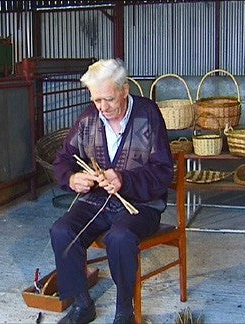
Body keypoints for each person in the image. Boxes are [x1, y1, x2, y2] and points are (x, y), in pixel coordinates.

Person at [50, 58, 173, 324]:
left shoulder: (147, 114)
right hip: (96, 202)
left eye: (109, 99)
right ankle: (82, 304)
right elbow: (62, 161)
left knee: (120, 238)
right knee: (62, 231)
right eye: (96, 101)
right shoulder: (87, 119)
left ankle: (124, 310)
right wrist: (72, 179)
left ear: (124, 91)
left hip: (141, 204)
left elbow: (163, 171)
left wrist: (124, 179)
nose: (102, 108)